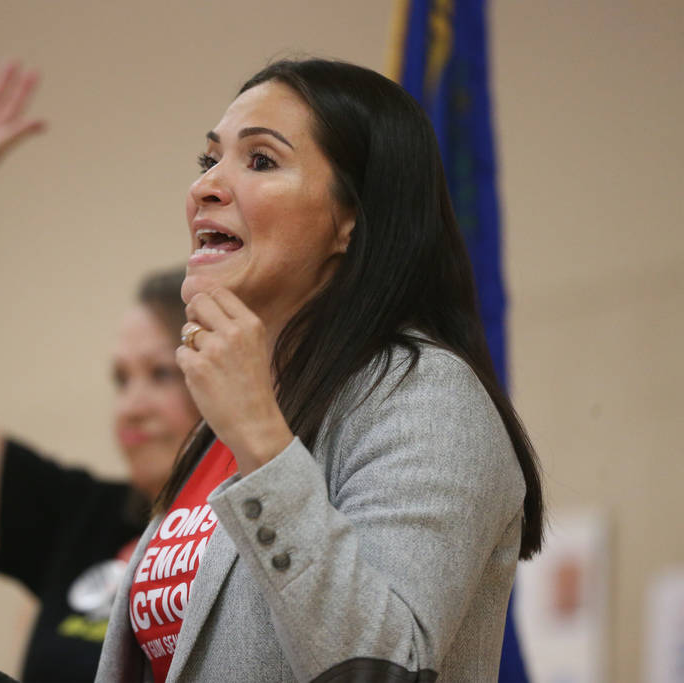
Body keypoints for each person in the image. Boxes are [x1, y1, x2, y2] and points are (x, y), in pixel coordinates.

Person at [95, 58, 545, 682]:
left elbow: (383, 667)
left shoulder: (426, 397)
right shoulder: (223, 426)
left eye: (260, 161)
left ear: (351, 219)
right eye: (209, 161)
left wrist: (260, 439)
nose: (206, 187)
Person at [0, 61, 200, 681]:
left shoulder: (264, 525)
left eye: (160, 375)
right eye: (120, 379)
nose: (130, 405)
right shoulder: (80, 519)